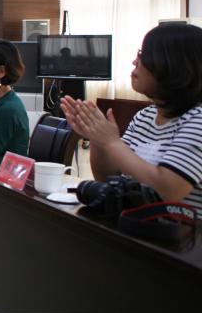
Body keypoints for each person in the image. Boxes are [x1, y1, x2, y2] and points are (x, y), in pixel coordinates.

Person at [61, 23, 202, 211]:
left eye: (143, 55)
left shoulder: (197, 121)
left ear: (173, 64)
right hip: (138, 224)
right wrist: (98, 139)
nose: (135, 62)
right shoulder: (145, 116)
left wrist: (112, 142)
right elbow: (108, 177)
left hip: (181, 229)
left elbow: (168, 190)